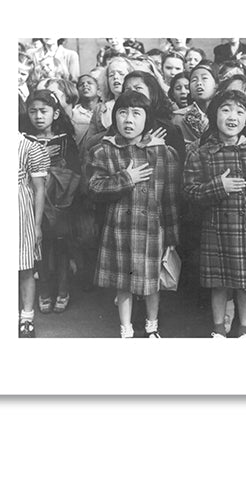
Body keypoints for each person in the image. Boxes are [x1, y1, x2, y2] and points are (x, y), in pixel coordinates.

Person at [183, 89, 246, 338]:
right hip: (214, 229)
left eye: (239, 111)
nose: (232, 116)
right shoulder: (201, 153)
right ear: (214, 115)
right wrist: (217, 187)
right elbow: (189, 191)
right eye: (225, 110)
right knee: (218, 283)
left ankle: (244, 329)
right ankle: (218, 330)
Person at [87, 90, 181, 338]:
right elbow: (95, 188)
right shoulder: (104, 151)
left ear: (147, 119)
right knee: (123, 283)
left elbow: (169, 198)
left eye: (136, 114)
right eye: (123, 113)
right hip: (118, 230)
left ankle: (152, 327)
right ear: (114, 117)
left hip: (151, 228)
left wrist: (171, 236)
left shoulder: (162, 153)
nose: (129, 119)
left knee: (152, 283)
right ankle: (125, 328)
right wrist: (126, 178)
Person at [24, 90, 80, 317]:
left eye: (43, 111)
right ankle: (44, 290)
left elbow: (75, 171)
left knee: (62, 247)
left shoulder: (66, 141)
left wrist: (56, 175)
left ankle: (63, 289)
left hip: (60, 203)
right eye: (33, 111)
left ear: (55, 114)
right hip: (33, 202)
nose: (38, 116)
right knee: (40, 248)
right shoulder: (23, 139)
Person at [18, 132, 49, 338]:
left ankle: (26, 317)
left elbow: (39, 189)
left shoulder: (27, 146)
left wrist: (37, 225)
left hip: (20, 212)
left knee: (25, 265)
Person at [122, 71, 186, 162]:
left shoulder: (166, 129)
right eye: (128, 90)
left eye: (138, 88)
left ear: (151, 93)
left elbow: (178, 164)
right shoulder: (119, 125)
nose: (132, 93)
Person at [82, 56, 134, 150]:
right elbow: (88, 143)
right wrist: (111, 131)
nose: (116, 77)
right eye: (111, 75)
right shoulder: (100, 109)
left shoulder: (140, 105)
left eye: (121, 74)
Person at [173, 61, 219, 145]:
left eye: (204, 78)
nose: (199, 83)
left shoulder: (224, 113)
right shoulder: (178, 118)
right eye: (194, 80)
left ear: (216, 85)